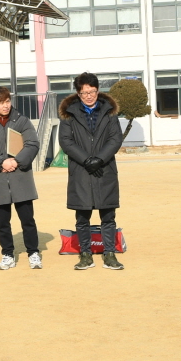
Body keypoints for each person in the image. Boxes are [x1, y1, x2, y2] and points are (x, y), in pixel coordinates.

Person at [58, 72, 125, 271]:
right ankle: (85, 254)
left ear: (98, 90)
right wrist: (86, 160)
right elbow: (66, 141)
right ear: (78, 93)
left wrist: (100, 159)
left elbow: (115, 139)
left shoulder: (109, 111)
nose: (89, 96)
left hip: (105, 169)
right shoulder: (69, 113)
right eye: (84, 93)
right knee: (82, 217)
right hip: (81, 170)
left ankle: (109, 254)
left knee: (108, 215)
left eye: (92, 92)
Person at [0, 86, 42, 269]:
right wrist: (1, 163)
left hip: (21, 177)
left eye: (7, 101)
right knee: (3, 222)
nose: (5, 105)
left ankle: (33, 253)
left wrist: (16, 161)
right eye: (1, 102)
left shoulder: (22, 121)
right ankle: (7, 254)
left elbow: (32, 144)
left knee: (28, 220)